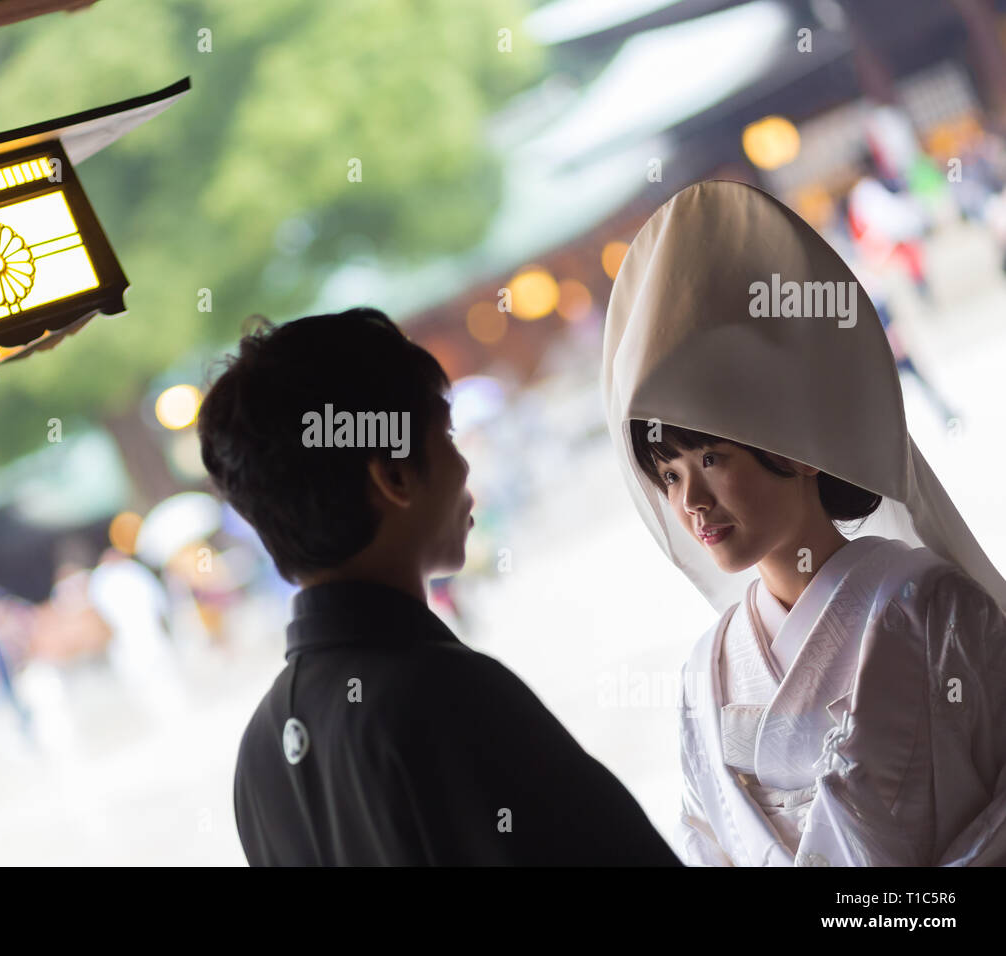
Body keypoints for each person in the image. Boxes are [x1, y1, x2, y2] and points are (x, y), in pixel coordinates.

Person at [602, 179, 1006, 866]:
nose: (691, 501)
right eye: (668, 475)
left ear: (796, 443)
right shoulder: (705, 671)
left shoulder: (930, 606)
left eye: (711, 458)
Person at [199, 307, 678, 866]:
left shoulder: (261, 752)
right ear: (394, 476)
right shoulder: (443, 692)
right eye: (446, 435)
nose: (464, 466)